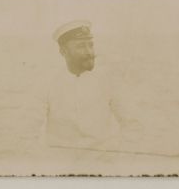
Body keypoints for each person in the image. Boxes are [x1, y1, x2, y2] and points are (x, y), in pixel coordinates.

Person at [45, 20, 142, 152]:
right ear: (63, 52)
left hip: (102, 160)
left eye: (90, 45)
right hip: (61, 161)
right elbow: (28, 127)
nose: (89, 52)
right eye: (81, 46)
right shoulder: (49, 83)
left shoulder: (108, 81)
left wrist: (120, 156)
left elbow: (132, 124)